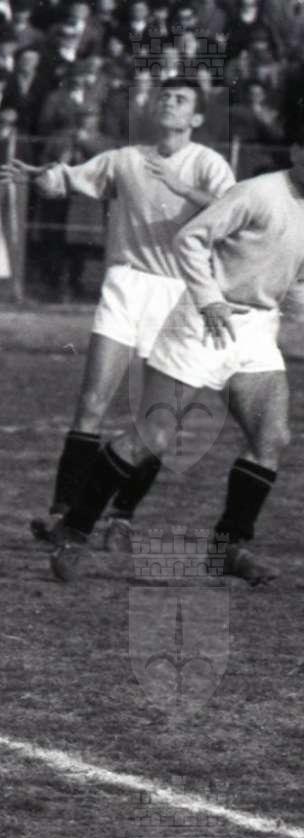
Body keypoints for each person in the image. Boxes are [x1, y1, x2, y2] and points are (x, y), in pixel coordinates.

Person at [47, 101, 304, 588]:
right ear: (295, 152)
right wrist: (209, 300)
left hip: (254, 332)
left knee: (272, 439)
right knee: (153, 437)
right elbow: (191, 238)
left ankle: (229, 547)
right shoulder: (257, 193)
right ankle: (74, 529)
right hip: (202, 323)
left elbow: (295, 280)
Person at [0, 76, 233, 551]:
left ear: (196, 117)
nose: (169, 103)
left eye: (181, 99)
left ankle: (122, 516)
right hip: (126, 285)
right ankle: (62, 513)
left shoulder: (208, 164)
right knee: (91, 402)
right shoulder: (126, 159)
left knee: (153, 419)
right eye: (165, 96)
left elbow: (233, 213)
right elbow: (68, 179)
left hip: (178, 294)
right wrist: (41, 176)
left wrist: (185, 189)